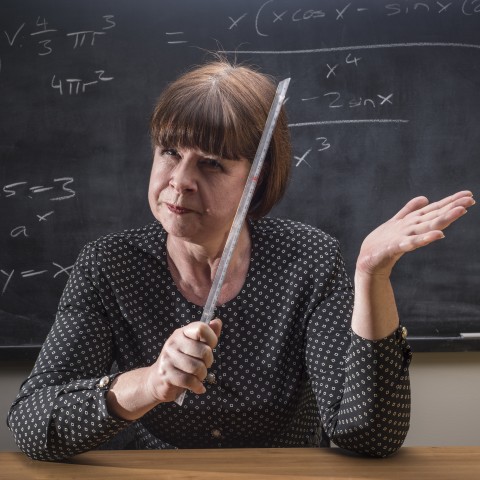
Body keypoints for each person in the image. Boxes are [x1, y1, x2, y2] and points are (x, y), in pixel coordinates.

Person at [7, 60, 475, 461]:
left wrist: (372, 275)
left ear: (258, 177)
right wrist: (149, 383)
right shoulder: (109, 264)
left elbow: (372, 437)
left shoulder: (308, 257)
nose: (180, 181)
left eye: (212, 163)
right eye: (170, 153)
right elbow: (30, 425)